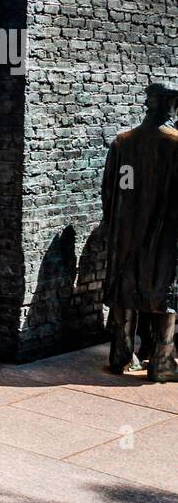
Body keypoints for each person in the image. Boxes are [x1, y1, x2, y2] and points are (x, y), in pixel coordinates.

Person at [101, 83, 178, 382]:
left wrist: (115, 225)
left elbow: (109, 191)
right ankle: (162, 360)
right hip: (167, 235)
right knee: (168, 291)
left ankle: (121, 354)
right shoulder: (175, 143)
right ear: (170, 106)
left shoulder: (123, 141)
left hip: (126, 231)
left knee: (125, 287)